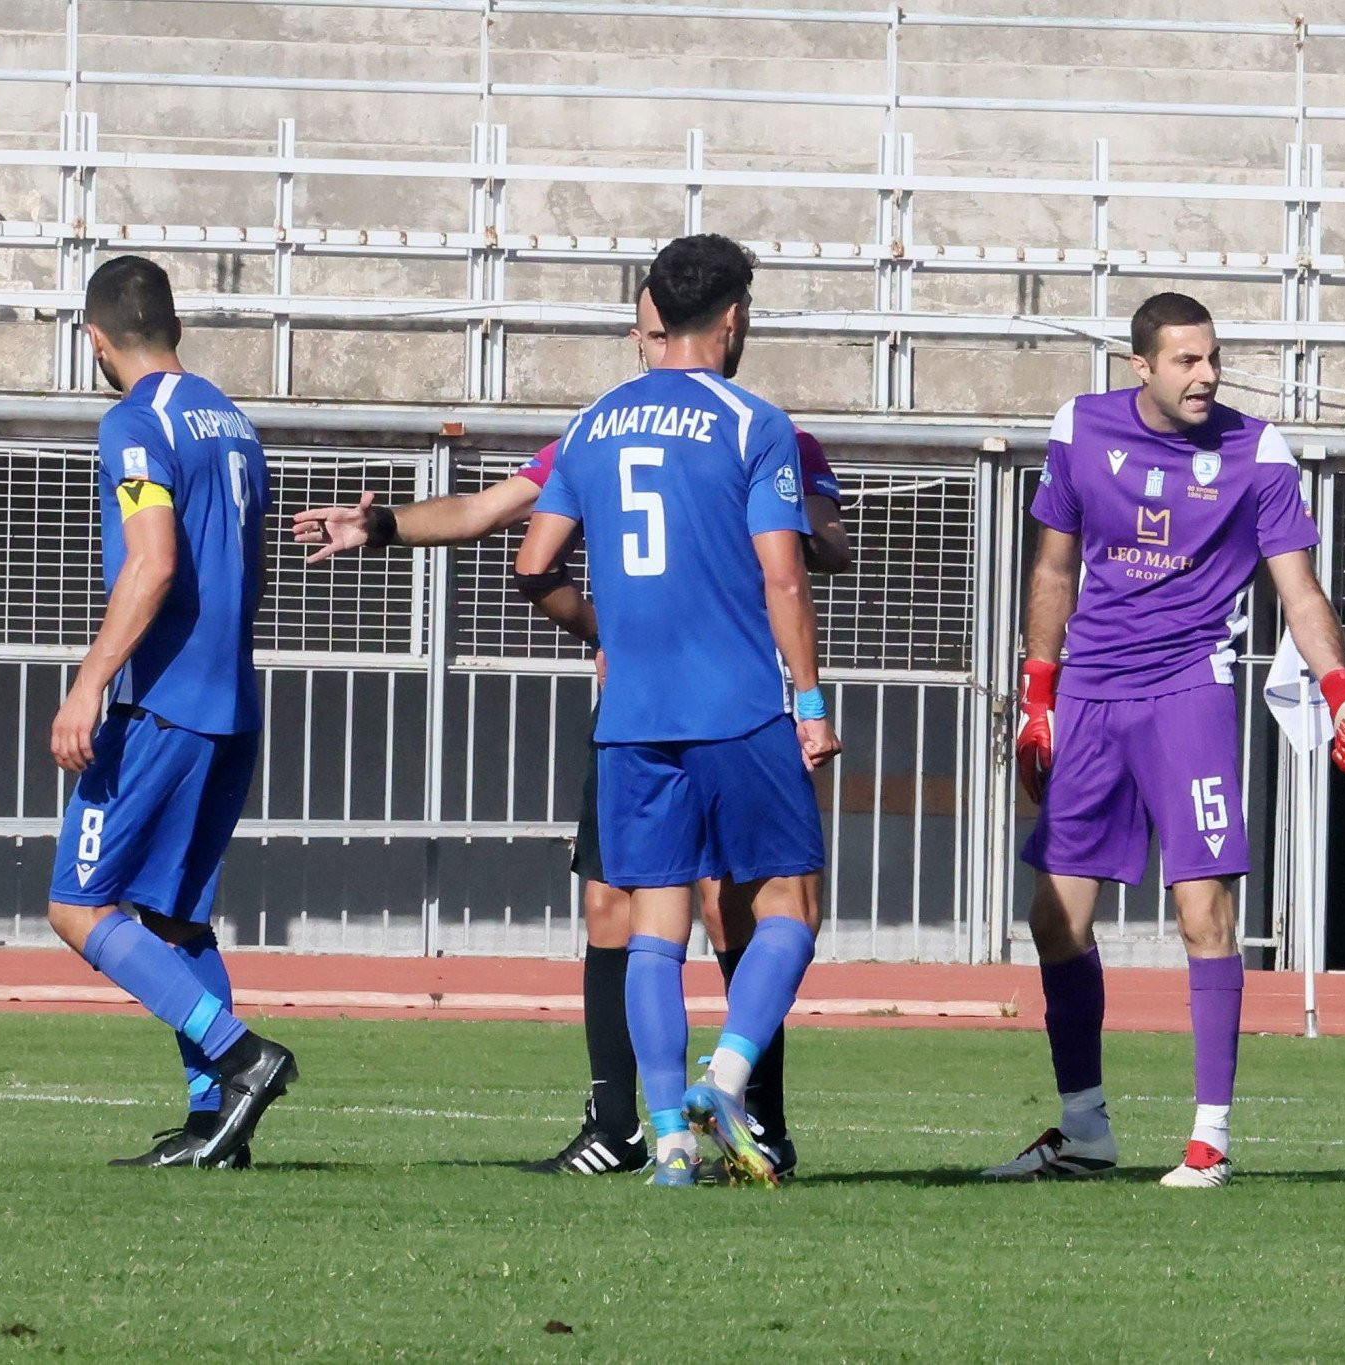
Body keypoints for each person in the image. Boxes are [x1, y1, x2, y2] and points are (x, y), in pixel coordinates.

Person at [289, 289, 849, 1179]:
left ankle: (738, 1123)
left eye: (659, 327)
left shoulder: (681, 429)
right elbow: (481, 510)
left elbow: (826, 541)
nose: (648, 341)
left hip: (651, 716)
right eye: (640, 329)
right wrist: (387, 522)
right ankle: (640, 1121)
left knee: (711, 910)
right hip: (708, 707)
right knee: (628, 910)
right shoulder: (637, 428)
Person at [984, 292, 1345, 1189]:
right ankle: (1084, 1130)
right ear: (1141, 366)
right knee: (1056, 918)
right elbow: (1053, 564)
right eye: (1185, 361)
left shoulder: (1256, 452)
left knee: (1205, 914)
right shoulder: (1079, 429)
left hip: (1187, 695)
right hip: (1087, 693)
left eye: (1212, 359)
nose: (1206, 375)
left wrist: (1342, 689)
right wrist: (1037, 696)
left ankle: (1210, 1138)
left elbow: (1301, 590)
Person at [513, 233, 840, 1188]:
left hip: (630, 718)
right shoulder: (754, 422)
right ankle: (727, 1079)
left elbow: (535, 562)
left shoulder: (593, 423)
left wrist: (603, 623)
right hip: (735, 707)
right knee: (789, 906)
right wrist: (810, 700)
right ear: (734, 317)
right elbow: (787, 573)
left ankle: (666, 1146)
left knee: (655, 930)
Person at [46, 254, 297, 1170]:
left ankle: (239, 1055)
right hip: (232, 698)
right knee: (177, 919)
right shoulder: (233, 422)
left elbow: (151, 563)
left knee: (79, 906)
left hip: (164, 704)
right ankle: (211, 1121)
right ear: (178, 328)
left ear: (97, 340)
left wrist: (88, 683)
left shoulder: (134, 423)